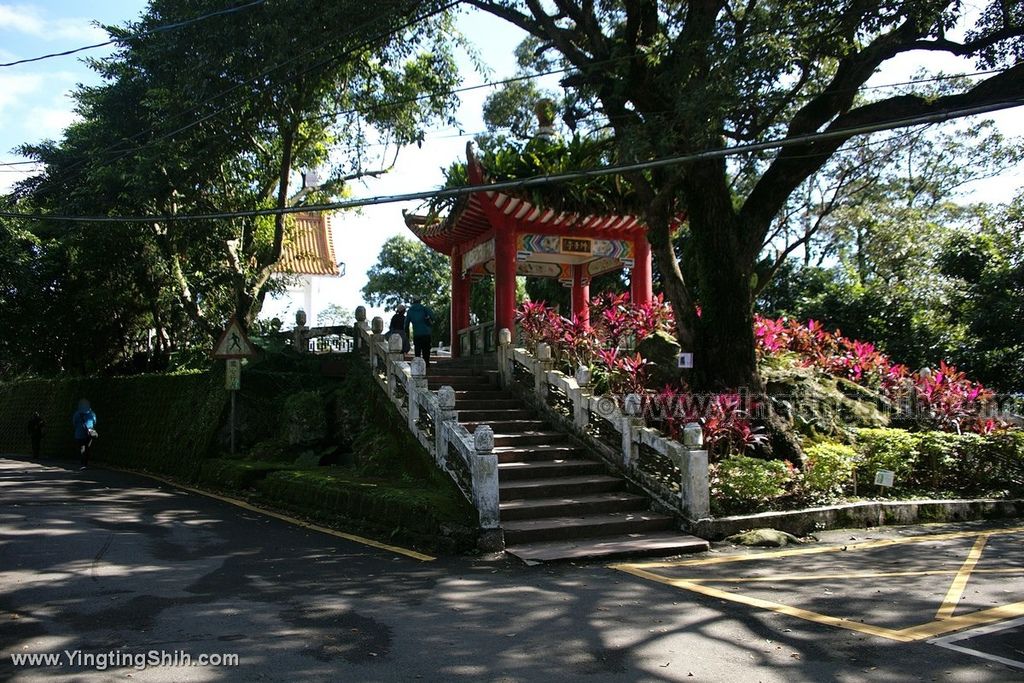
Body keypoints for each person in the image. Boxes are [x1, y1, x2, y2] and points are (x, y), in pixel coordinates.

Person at [406, 299, 435, 369]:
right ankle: (427, 367)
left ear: (413, 302)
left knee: (417, 353)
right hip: (426, 334)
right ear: (420, 301)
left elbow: (406, 324)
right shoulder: (425, 309)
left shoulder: (410, 311)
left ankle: (418, 368)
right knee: (426, 352)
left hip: (417, 334)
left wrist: (407, 336)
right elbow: (433, 318)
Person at [72, 399, 98, 470]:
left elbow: (74, 423)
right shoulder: (92, 413)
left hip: (79, 433)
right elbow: (95, 422)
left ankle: (82, 463)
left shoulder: (77, 413)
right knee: (88, 448)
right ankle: (86, 463)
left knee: (81, 448)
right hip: (89, 433)